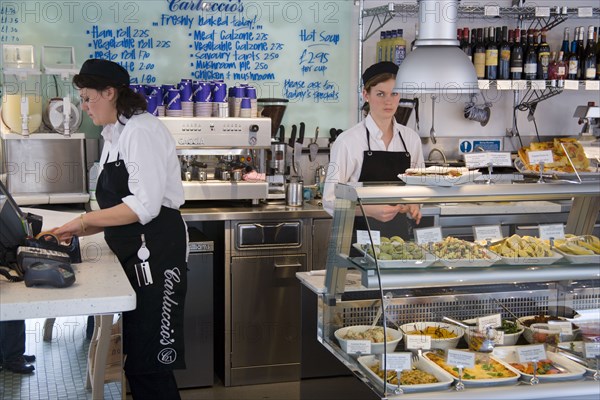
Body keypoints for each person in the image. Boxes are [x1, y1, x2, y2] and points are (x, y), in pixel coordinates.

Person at [52, 59, 187, 400]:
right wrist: (78, 229)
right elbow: (117, 202)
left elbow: (145, 206)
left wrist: (83, 222)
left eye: (87, 98)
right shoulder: (114, 132)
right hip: (135, 253)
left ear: (110, 92)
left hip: (157, 254)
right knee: (139, 359)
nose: (84, 107)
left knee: (151, 361)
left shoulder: (141, 131)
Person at [323, 61, 425, 240]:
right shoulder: (347, 141)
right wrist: (369, 210)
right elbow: (330, 201)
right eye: (380, 94)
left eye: (394, 93)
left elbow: (419, 188)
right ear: (366, 95)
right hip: (357, 238)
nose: (388, 101)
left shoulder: (411, 139)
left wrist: (414, 204)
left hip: (398, 240)